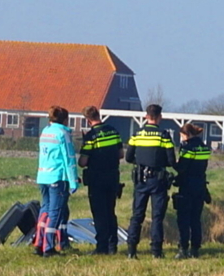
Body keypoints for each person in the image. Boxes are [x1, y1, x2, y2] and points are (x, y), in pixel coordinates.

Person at [125, 104, 176, 259]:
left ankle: (131, 251)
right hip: (158, 180)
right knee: (157, 217)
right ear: (160, 116)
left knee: (137, 215)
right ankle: (156, 251)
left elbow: (128, 158)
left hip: (140, 180)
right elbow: (171, 161)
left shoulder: (137, 134)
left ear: (146, 116)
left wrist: (140, 162)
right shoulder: (163, 136)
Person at [78, 105, 124, 254]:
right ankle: (113, 245)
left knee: (99, 213)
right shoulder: (113, 131)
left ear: (87, 120)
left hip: (97, 178)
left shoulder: (91, 136)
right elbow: (121, 154)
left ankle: (102, 247)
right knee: (110, 211)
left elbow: (83, 162)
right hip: (112, 177)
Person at [36, 105, 78, 257]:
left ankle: (38, 243)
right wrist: (73, 182)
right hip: (57, 177)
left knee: (45, 209)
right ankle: (48, 247)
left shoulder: (45, 131)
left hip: (42, 176)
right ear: (65, 120)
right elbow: (69, 159)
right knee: (55, 213)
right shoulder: (62, 133)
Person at [173, 123, 211, 259]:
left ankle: (183, 249)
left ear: (187, 134)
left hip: (187, 186)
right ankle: (195, 249)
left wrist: (174, 163)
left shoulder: (187, 147)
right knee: (195, 219)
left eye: (181, 136)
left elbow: (182, 168)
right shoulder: (204, 147)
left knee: (183, 219)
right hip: (200, 185)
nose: (181, 139)